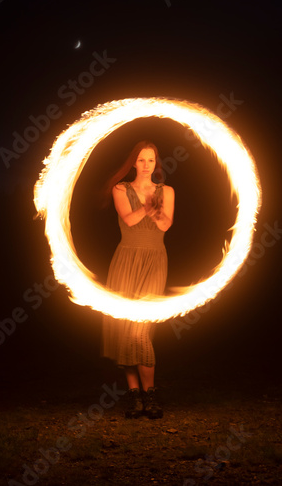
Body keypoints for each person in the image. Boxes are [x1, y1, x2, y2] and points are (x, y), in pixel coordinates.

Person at [101, 140, 175, 419]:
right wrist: (147, 205)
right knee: (125, 330)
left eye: (151, 161)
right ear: (133, 162)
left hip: (154, 259)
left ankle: (151, 394)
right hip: (126, 259)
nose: (146, 165)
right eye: (142, 160)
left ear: (157, 163)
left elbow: (166, 224)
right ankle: (135, 396)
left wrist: (155, 208)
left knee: (140, 331)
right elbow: (130, 220)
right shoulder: (120, 188)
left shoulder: (166, 191)